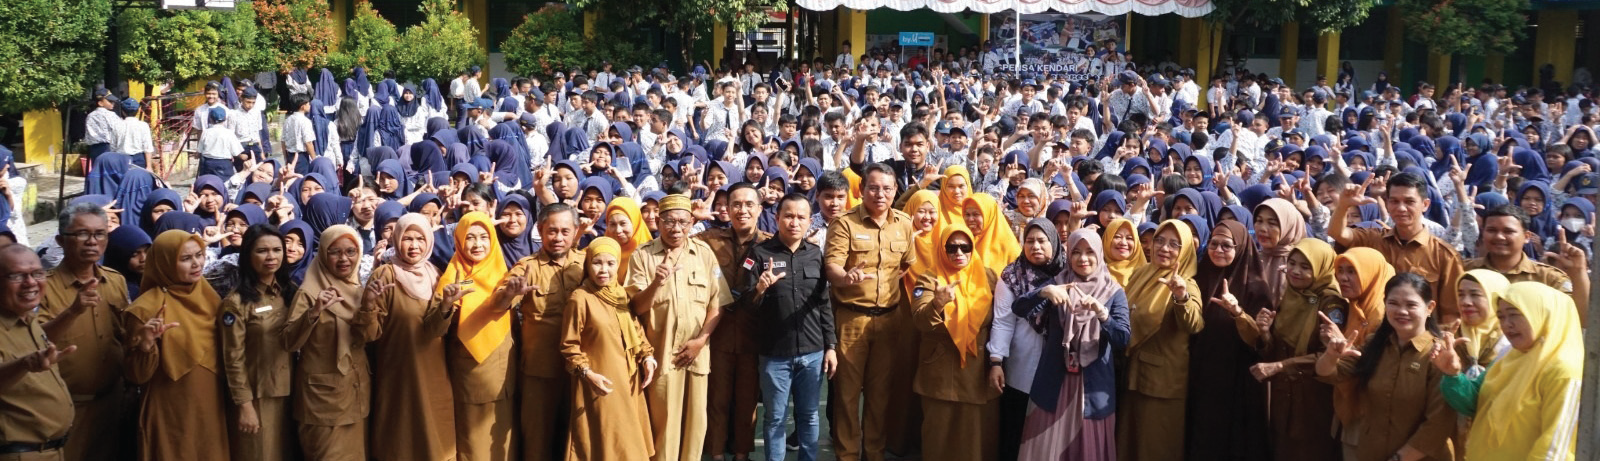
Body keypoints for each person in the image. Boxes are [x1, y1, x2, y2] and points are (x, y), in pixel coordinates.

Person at [1005, 227, 1128, 460]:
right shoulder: (1058, 283)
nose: (1083, 259)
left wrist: (1104, 316)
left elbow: (1122, 338)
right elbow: (1019, 308)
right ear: (1068, 254)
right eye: (1076, 252)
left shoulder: (1113, 292)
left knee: (1087, 448)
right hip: (1055, 383)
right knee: (1045, 445)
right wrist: (1042, 293)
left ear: (1100, 254)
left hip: (1092, 386)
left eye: (1090, 252)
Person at [626, 194, 732, 461]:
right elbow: (636, 308)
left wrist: (701, 341)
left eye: (683, 222)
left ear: (691, 223)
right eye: (669, 222)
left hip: (696, 352)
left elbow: (717, 303)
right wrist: (656, 283)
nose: (676, 228)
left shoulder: (704, 254)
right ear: (658, 222)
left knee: (696, 424)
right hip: (662, 354)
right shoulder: (644, 256)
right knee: (664, 423)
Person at [822, 164, 917, 461]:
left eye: (887, 189)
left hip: (889, 320)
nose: (880, 194)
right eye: (874, 188)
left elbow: (906, 263)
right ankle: (848, 455)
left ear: (895, 192)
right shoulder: (845, 223)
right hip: (852, 319)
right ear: (861, 190)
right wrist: (845, 277)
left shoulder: (903, 223)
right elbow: (832, 266)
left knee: (880, 395)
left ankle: (873, 454)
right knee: (847, 397)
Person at [1316, 272, 1457, 461]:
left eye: (1411, 305)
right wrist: (1331, 356)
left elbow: (1438, 423)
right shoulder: (1376, 344)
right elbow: (1327, 374)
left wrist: (1399, 458)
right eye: (1393, 303)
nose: (1401, 311)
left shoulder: (1438, 355)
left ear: (1429, 307)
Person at [1434, 282, 1582, 460]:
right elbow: (1475, 402)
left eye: (1514, 315)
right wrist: (1453, 375)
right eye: (1501, 317)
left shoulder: (1564, 370)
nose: (1506, 324)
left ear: (1544, 315)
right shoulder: (1509, 356)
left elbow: (1555, 448)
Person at [741, 194, 836, 461]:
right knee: (775, 418)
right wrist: (760, 288)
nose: (794, 222)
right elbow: (746, 305)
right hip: (774, 354)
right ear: (777, 217)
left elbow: (824, 304)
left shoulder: (815, 254)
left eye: (801, 217)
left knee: (809, 416)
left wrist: (831, 346)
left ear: (809, 221)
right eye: (789, 216)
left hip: (812, 351)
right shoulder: (759, 254)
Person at [122, 230, 229, 460]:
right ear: (164, 263)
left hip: (211, 405)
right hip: (171, 409)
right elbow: (135, 375)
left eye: (199, 255)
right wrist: (146, 347)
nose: (196, 264)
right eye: (185, 259)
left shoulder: (209, 297)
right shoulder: (146, 309)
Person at [37, 203, 130, 461]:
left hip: (112, 403)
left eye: (99, 234)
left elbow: (122, 334)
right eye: (81, 234)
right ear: (60, 240)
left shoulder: (115, 281)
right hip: (66, 408)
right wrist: (72, 312)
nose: (92, 241)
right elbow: (31, 343)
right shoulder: (42, 287)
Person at [434, 211, 529, 461]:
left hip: (503, 378)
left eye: (484, 237)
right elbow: (432, 329)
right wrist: (446, 305)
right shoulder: (452, 277)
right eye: (470, 238)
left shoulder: (504, 275)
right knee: (473, 446)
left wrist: (509, 295)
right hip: (467, 378)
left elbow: (500, 301)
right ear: (459, 240)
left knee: (503, 445)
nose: (477, 244)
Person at [366, 214, 457, 461]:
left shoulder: (436, 274)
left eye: (419, 238)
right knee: (400, 434)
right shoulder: (385, 275)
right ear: (397, 239)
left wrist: (447, 305)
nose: (414, 245)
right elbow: (369, 333)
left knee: (434, 434)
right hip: (398, 372)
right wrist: (369, 305)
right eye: (407, 238)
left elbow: (437, 329)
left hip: (433, 370)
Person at [561, 236, 660, 460]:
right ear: (588, 265)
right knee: (605, 442)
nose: (603, 270)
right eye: (597, 263)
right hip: (600, 384)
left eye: (610, 263)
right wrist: (588, 374)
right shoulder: (580, 298)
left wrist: (647, 357)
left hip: (629, 381)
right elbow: (569, 345)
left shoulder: (620, 294)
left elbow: (636, 329)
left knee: (629, 443)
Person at [284, 225, 378, 460]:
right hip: (322, 403)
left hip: (356, 394)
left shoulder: (358, 290)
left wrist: (368, 306)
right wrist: (313, 313)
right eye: (335, 252)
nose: (344, 259)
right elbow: (288, 341)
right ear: (323, 254)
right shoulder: (309, 291)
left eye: (351, 251)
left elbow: (369, 336)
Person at [1116, 220, 1202, 461]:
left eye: (1174, 244)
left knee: (1156, 446)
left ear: (1185, 251)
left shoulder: (1187, 283)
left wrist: (1181, 296)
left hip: (1162, 383)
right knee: (1129, 442)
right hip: (1132, 374)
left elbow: (1194, 324)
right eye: (1160, 241)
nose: (1164, 248)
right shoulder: (1142, 273)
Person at [1330, 172, 1465, 324]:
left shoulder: (1444, 255)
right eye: (1394, 201)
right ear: (1387, 203)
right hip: (1373, 334)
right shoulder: (1374, 239)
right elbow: (1338, 233)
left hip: (1421, 340)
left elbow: (1451, 315)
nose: (1401, 208)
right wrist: (1343, 206)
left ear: (1425, 205)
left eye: (1409, 202)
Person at [696, 184, 770, 461]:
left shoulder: (769, 244)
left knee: (747, 400)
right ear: (726, 210)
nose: (742, 210)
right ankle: (715, 453)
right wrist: (694, 218)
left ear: (760, 209)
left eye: (749, 204)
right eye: (736, 204)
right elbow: (677, 239)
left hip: (754, 335)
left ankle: (741, 454)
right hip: (719, 333)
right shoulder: (709, 240)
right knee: (717, 398)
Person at [1185, 219, 1269, 461]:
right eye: (1214, 244)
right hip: (1201, 374)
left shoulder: (1255, 285)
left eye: (1227, 245)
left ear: (1241, 247)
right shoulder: (1200, 276)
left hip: (1237, 378)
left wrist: (1238, 313)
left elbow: (1260, 341)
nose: (1218, 250)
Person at [1255, 238, 1345, 461]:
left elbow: (1331, 355)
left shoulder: (1331, 304)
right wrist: (1265, 332)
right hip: (1284, 397)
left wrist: (1281, 366)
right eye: (1292, 263)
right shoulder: (1291, 295)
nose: (1295, 271)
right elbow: (1277, 348)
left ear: (1321, 268)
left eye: (1305, 267)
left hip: (1313, 399)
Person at [508, 204, 586, 461]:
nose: (558, 237)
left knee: (574, 437)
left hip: (578, 368)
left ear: (576, 232)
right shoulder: (527, 267)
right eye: (552, 231)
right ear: (540, 230)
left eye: (565, 231)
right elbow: (501, 299)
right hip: (539, 369)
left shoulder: (587, 264)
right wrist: (510, 293)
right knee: (537, 437)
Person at [219, 224, 297, 461]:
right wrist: (244, 405)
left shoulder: (289, 291)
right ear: (248, 255)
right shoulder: (236, 302)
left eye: (277, 249)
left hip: (292, 393)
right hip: (258, 397)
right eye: (262, 251)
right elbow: (232, 358)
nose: (271, 257)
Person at [0, 244, 77, 460]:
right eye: (16, 276)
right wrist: (24, 364)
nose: (31, 283)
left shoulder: (25, 317)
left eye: (37, 273)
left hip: (51, 450)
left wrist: (74, 312)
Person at [1463, 205, 1589, 323]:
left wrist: (1579, 272)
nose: (1499, 237)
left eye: (1508, 231)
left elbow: (1581, 317)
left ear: (1527, 236)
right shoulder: (1464, 270)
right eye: (1492, 230)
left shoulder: (1548, 278)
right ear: (1483, 234)